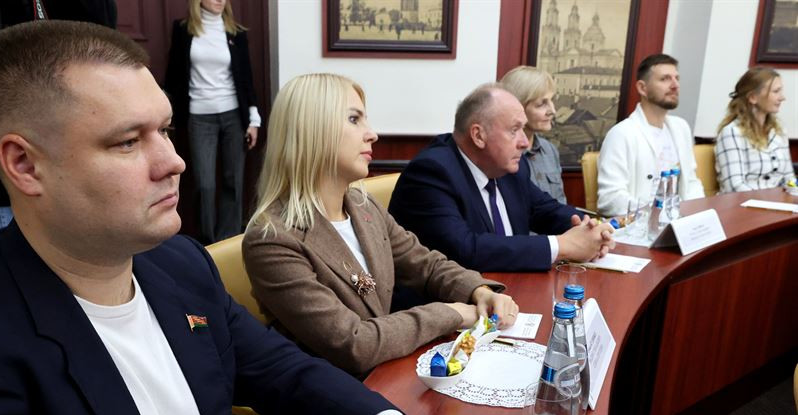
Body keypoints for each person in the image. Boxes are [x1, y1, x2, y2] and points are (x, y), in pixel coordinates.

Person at [0, 20, 495, 415]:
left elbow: (286, 374)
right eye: (127, 141)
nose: (173, 161)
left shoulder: (177, 263)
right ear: (25, 164)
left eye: (166, 130)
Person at [242, 74, 519, 375]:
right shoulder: (272, 240)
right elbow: (354, 343)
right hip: (333, 389)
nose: (372, 134)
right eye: (354, 119)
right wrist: (450, 313)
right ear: (312, 130)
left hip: (386, 371)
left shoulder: (364, 207)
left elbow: (426, 265)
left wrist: (479, 290)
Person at [388, 83, 614, 273]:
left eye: (523, 129)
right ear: (478, 135)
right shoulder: (431, 173)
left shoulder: (509, 167)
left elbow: (545, 210)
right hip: (448, 304)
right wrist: (562, 246)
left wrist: (591, 231)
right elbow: (464, 250)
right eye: (514, 130)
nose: (524, 143)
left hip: (510, 290)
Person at [165, 0, 259, 243]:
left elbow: (246, 78)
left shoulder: (236, 33)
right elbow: (173, 74)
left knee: (233, 181)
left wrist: (253, 120)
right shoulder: (183, 30)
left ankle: (229, 239)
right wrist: (166, 114)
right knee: (204, 184)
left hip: (234, 116)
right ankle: (207, 242)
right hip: (199, 116)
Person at [596, 53, 705, 217]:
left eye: (677, 78)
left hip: (680, 221)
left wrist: (699, 215)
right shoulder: (621, 134)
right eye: (665, 79)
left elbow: (691, 182)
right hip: (640, 225)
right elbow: (610, 200)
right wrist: (656, 213)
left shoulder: (681, 128)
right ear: (642, 88)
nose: (675, 85)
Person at [714, 67, 795, 193]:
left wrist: (794, 193)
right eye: (776, 91)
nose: (782, 97)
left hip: (778, 203)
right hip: (743, 203)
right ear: (753, 97)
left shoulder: (779, 131)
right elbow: (735, 186)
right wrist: (769, 203)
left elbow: (789, 178)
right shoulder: (732, 133)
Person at [499, 66, 566, 204]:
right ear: (517, 106)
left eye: (552, 100)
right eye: (541, 104)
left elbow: (560, 204)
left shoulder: (550, 150)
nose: (552, 111)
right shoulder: (501, 153)